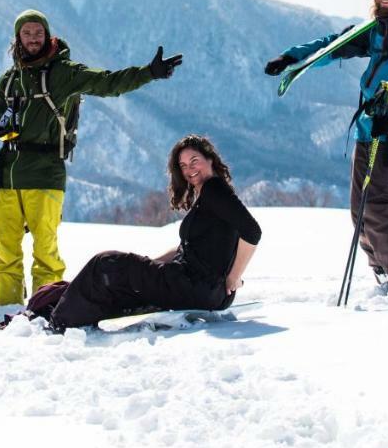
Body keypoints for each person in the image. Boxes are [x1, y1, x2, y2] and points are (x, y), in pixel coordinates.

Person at [0, 9, 183, 306]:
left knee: (45, 251)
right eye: (27, 33)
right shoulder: (8, 81)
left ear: (47, 35)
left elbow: (107, 83)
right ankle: (3, 310)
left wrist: (148, 73)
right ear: (18, 38)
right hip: (6, 174)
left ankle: (45, 309)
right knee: (4, 251)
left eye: (38, 32)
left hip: (45, 173)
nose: (33, 38)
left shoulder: (64, 73)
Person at [264, 0, 388, 289]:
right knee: (360, 209)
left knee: (376, 204)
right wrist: (292, 57)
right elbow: (335, 45)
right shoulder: (378, 26)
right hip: (369, 130)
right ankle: (386, 274)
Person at [47, 134, 261, 329]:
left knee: (104, 263)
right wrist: (151, 264)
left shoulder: (214, 190)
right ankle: (65, 311)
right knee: (120, 276)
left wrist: (234, 277)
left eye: (194, 161)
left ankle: (59, 321)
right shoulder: (211, 196)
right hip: (201, 290)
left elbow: (251, 231)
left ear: (210, 159)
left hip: (193, 287)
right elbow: (196, 247)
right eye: (183, 165)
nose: (189, 169)